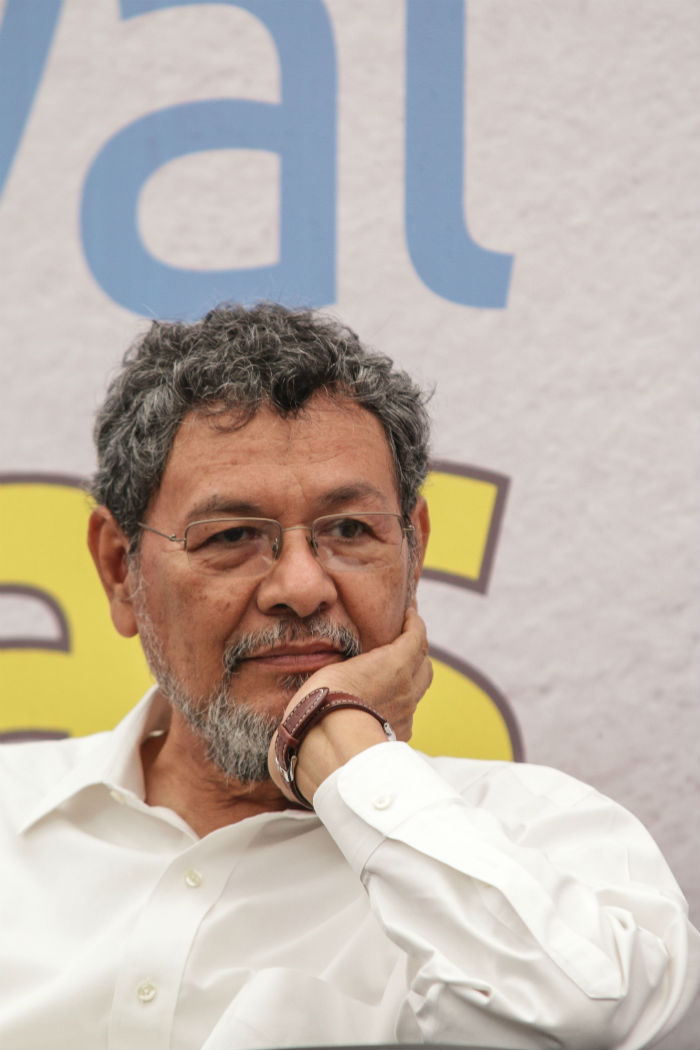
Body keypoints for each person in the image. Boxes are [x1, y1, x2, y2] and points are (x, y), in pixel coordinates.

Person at [0, 302, 697, 1050]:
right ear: (118, 569)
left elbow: (589, 1019)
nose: (300, 586)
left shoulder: (542, 837)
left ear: (414, 551)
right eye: (233, 536)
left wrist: (344, 751)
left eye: (348, 531)